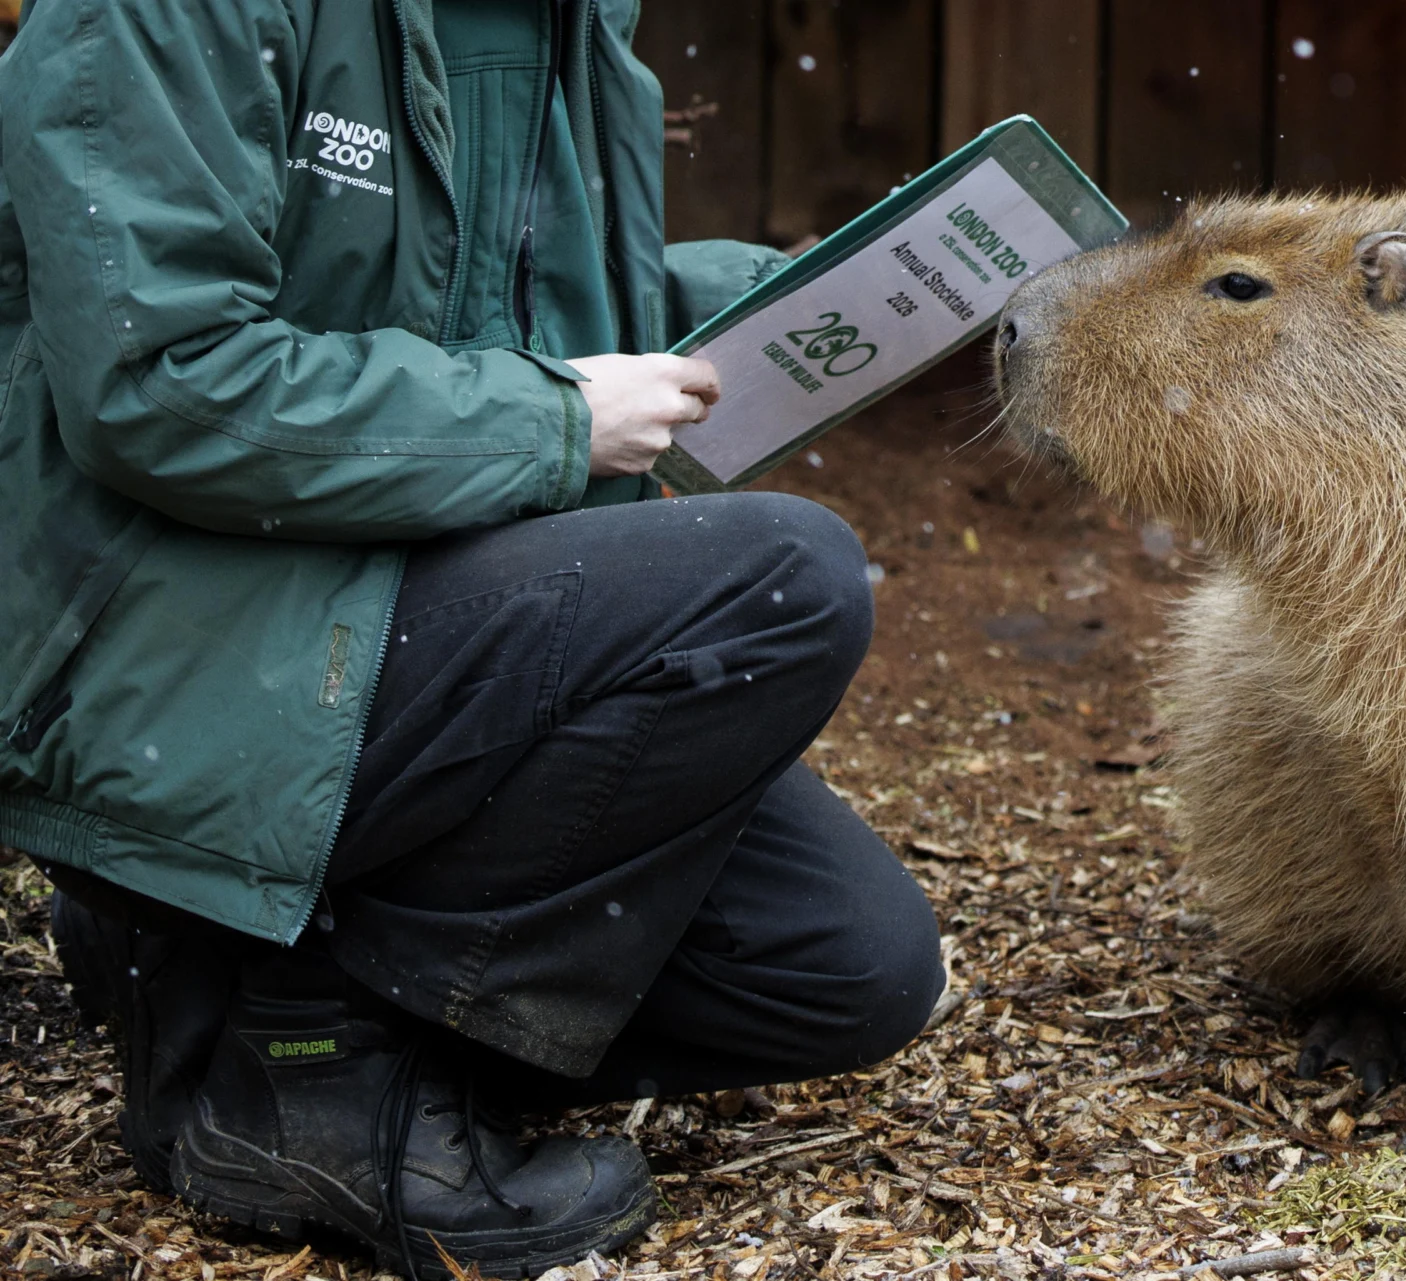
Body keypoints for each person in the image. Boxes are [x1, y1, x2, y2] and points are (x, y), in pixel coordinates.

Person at [0, 0, 945, 1276]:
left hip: (386, 596)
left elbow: (506, 303)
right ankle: (304, 1069)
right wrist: (555, 421)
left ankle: (211, 951)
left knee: (840, 969)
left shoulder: (568, 19)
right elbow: (161, 384)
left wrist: (829, 294)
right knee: (784, 578)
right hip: (155, 635)